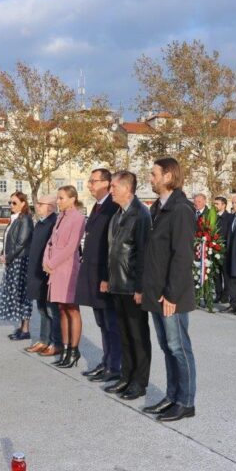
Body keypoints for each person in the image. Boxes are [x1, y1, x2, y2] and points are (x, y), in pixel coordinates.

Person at [141, 158, 197, 422]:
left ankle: (186, 401)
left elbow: (182, 256)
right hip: (155, 291)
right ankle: (172, 395)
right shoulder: (158, 209)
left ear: (168, 176)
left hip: (172, 294)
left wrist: (172, 294)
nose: (150, 178)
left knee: (178, 347)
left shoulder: (181, 209)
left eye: (153, 174)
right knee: (166, 346)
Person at [103, 171, 152, 400]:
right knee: (124, 334)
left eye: (113, 186)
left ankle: (139, 382)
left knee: (138, 335)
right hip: (118, 284)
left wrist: (140, 287)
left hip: (132, 286)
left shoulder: (141, 214)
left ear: (126, 188)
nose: (110, 190)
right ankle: (126, 375)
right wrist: (108, 278)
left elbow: (143, 253)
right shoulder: (117, 215)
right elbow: (112, 251)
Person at [74, 169, 122, 383]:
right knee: (102, 322)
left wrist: (106, 276)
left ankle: (115, 365)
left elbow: (110, 246)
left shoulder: (112, 206)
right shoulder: (98, 205)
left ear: (106, 182)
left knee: (111, 324)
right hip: (92, 274)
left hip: (104, 275)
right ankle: (107, 360)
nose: (90, 185)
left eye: (93, 181)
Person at [43, 186, 86, 368]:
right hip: (55, 269)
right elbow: (50, 242)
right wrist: (45, 260)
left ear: (72, 199)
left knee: (72, 308)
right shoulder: (60, 217)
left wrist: (52, 263)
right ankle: (66, 347)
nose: (58, 201)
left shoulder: (78, 218)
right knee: (61, 308)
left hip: (68, 268)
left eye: (61, 198)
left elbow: (71, 247)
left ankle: (74, 350)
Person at [23, 194, 63, 357]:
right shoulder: (41, 223)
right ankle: (43, 340)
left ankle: (56, 342)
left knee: (51, 310)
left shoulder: (54, 223)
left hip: (47, 273)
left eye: (41, 203)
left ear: (51, 206)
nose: (37, 206)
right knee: (41, 308)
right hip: (36, 272)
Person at [0, 192, 34, 339]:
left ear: (23, 203)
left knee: (23, 294)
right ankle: (21, 327)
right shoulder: (15, 219)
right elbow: (8, 240)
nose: (11, 205)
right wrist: (2, 253)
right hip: (14, 260)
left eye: (14, 203)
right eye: (10, 203)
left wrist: (8, 256)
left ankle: (25, 329)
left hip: (21, 261)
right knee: (17, 294)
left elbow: (21, 242)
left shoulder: (25, 219)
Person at [214, 196, 233, 304]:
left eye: (217, 204)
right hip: (214, 249)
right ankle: (218, 294)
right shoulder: (213, 216)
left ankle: (226, 295)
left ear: (224, 205)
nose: (215, 206)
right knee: (216, 274)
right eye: (215, 204)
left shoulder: (230, 217)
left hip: (225, 250)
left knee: (226, 274)